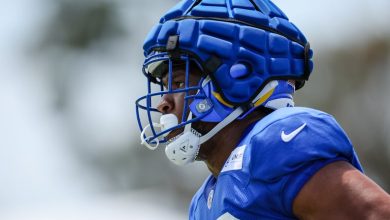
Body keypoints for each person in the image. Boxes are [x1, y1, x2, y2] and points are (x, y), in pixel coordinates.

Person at [135, 0, 390, 219]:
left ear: (237, 76)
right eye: (165, 85)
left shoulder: (279, 142)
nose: (163, 103)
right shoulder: (204, 201)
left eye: (178, 82)